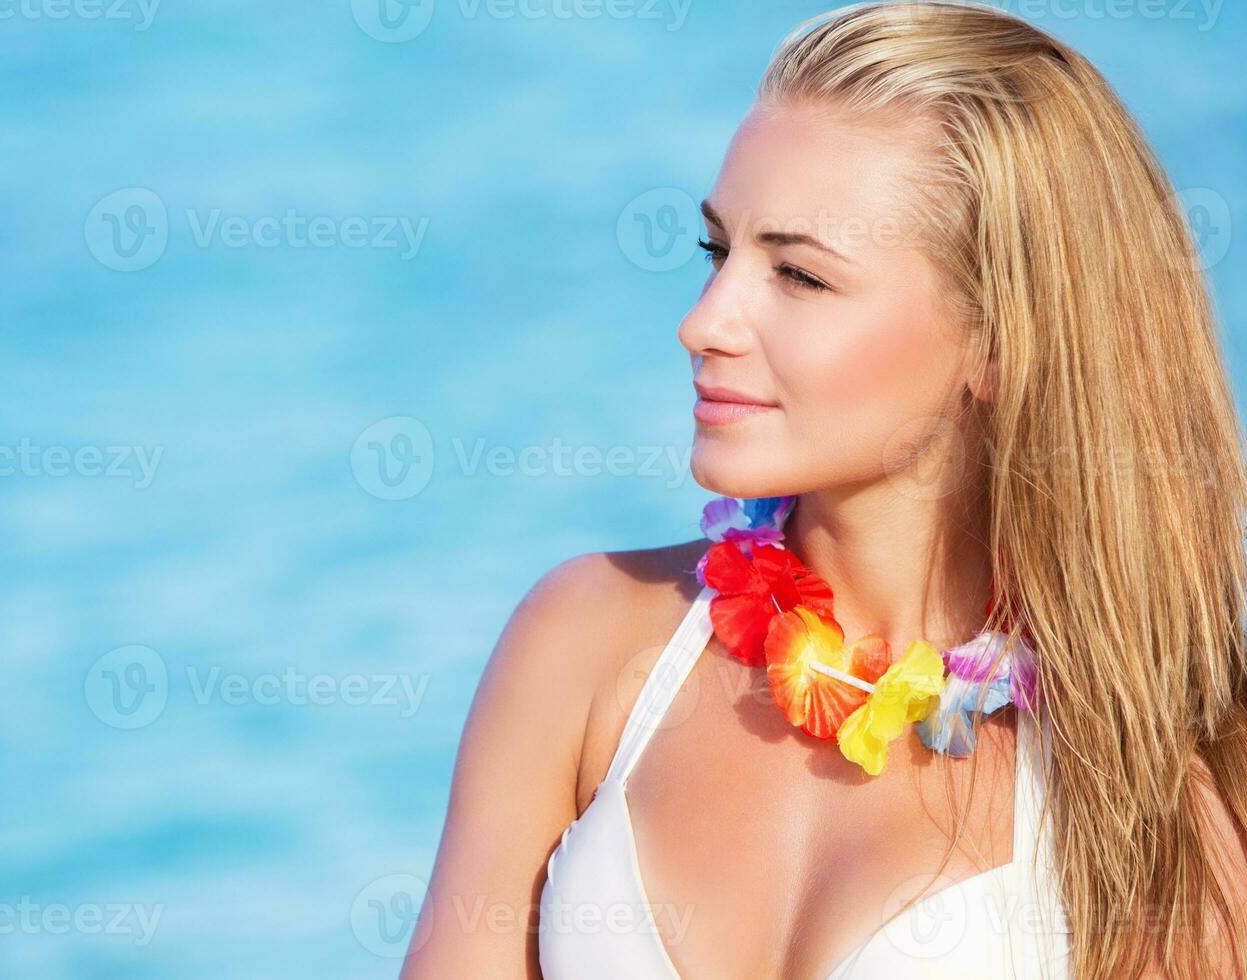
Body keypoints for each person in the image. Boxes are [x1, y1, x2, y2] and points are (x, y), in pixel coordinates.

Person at [401, 3, 1247, 977]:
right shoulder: (584, 648)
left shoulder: (1143, 806)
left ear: (999, 342)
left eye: (797, 274)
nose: (703, 320)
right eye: (719, 252)